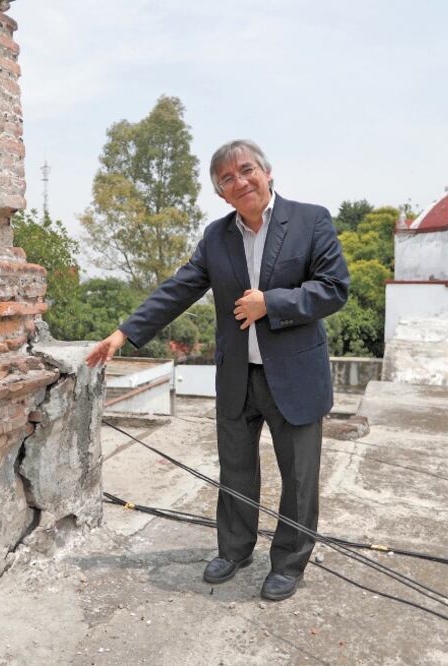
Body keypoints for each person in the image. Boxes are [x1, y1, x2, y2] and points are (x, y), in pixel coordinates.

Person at [86, 139, 349, 601]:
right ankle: (234, 549)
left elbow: (333, 288)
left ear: (268, 173)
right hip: (237, 377)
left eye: (246, 170)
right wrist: (122, 334)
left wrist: (272, 303)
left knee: (300, 478)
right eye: (227, 179)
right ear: (220, 194)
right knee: (236, 471)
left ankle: (288, 563)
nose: (240, 181)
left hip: (295, 377)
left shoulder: (311, 220)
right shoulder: (216, 236)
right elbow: (179, 288)